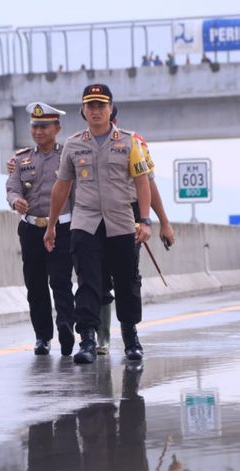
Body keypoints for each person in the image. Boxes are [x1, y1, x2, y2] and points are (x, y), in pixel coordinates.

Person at [44, 83, 152, 365]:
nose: (95, 111)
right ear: (82, 110)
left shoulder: (130, 143)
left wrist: (145, 220)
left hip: (121, 223)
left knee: (127, 281)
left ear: (110, 108)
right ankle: (88, 340)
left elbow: (142, 183)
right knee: (88, 282)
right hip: (86, 222)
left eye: (101, 106)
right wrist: (52, 224)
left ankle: (130, 337)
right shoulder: (73, 144)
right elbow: (61, 186)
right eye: (90, 106)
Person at [95, 105, 176, 355]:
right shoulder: (85, 143)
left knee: (127, 275)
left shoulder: (135, 144)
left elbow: (148, 184)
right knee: (96, 276)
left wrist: (161, 222)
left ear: (113, 118)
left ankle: (130, 337)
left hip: (129, 213)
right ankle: (102, 338)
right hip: (95, 214)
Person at [5, 102, 75, 356]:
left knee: (60, 280)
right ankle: (42, 337)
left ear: (57, 128)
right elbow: (12, 188)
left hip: (62, 228)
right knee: (35, 285)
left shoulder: (68, 156)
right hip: (32, 229)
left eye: (44, 126)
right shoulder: (21, 159)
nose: (39, 131)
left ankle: (66, 327)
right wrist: (16, 201)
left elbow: (78, 192)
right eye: (35, 126)